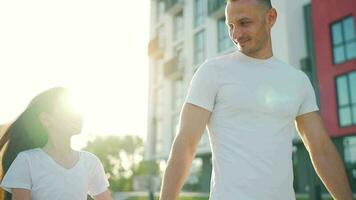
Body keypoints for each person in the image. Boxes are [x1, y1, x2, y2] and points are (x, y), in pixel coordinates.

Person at [159, 0, 353, 199]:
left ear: (271, 18)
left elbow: (321, 149)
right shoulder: (212, 72)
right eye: (230, 26)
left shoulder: (297, 81)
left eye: (244, 23)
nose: (236, 35)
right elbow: (185, 144)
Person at [0, 87, 112, 200]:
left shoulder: (90, 162)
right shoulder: (26, 161)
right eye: (69, 111)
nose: (78, 116)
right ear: (46, 120)